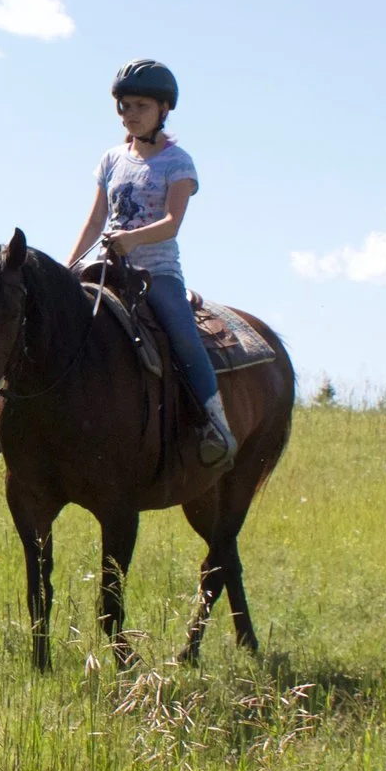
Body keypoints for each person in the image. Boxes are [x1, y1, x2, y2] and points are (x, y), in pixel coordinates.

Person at [64, 60, 233, 466]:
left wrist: (130, 240)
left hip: (157, 273)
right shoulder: (110, 160)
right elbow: (94, 220)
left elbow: (172, 224)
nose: (131, 114)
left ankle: (215, 423)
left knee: (183, 336)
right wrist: (67, 268)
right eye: (124, 106)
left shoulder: (178, 163)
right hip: (105, 268)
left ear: (163, 110)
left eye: (141, 105)